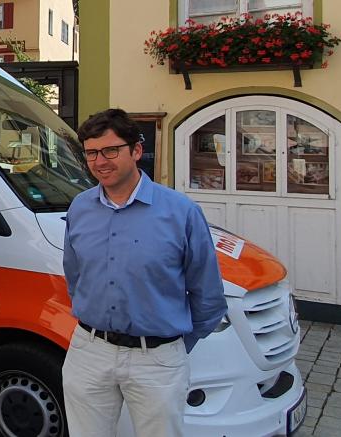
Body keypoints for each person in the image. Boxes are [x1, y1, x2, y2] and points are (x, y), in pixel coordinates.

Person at [61, 108, 228, 437]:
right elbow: (75, 277)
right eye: (92, 153)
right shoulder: (79, 207)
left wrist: (172, 346)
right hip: (89, 351)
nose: (100, 161)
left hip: (157, 359)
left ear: (136, 150)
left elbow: (208, 296)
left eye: (111, 150)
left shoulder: (181, 213)